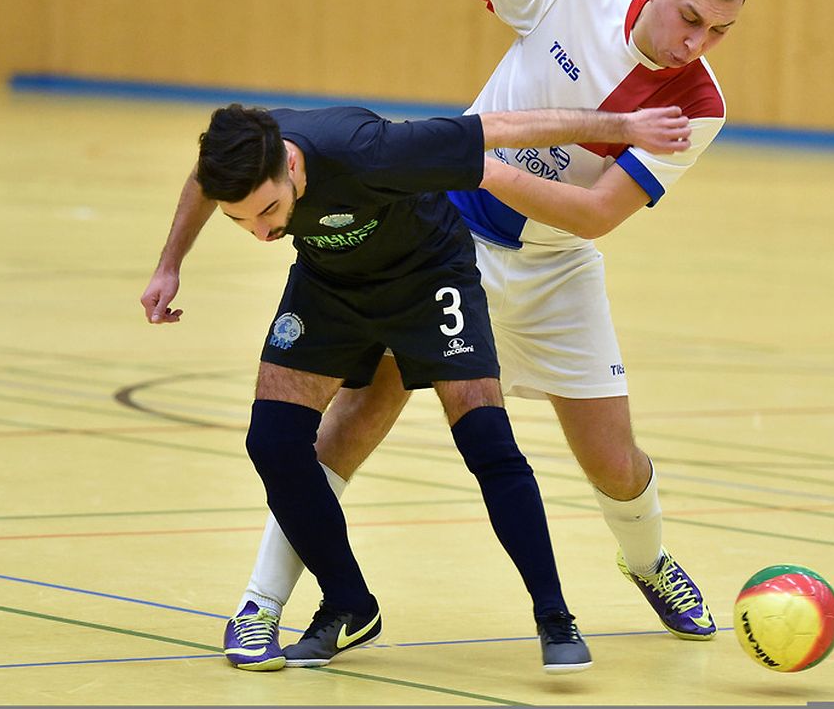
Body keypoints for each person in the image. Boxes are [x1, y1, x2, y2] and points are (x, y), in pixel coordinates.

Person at [207, 0, 748, 657]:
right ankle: (261, 600)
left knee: (614, 462)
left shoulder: (699, 105)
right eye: (690, 17)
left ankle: (649, 562)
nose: (697, 43)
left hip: (556, 265)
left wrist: (477, 161)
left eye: (719, 31)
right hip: (442, 239)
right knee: (358, 414)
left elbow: (594, 214)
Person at [139, 102, 692, 673]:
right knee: (273, 443)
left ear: (293, 163)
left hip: (428, 275)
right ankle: (349, 603)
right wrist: (169, 264)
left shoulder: (370, 148)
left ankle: (555, 617)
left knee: (486, 440)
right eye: (242, 221)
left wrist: (623, 128)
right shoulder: (243, 162)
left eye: (269, 211)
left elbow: (497, 129)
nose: (261, 233)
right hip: (330, 285)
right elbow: (204, 180)